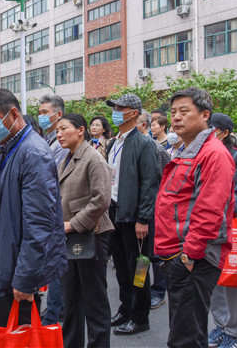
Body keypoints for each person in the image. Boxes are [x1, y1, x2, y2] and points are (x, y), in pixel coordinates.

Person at [0, 88, 67, 330]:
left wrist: (26, 278)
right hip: (0, 252)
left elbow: (39, 223)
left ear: (13, 114)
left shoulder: (33, 153)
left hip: (15, 261)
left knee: (19, 334)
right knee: (4, 330)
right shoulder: (9, 146)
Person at [154, 87, 236, 348]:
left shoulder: (213, 153)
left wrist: (189, 255)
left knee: (185, 336)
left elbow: (209, 210)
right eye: (173, 112)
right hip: (178, 253)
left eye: (184, 111)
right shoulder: (187, 149)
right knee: (184, 328)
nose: (176, 117)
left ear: (205, 115)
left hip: (192, 257)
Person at [56, 113, 114, 348]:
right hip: (70, 237)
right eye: (57, 130)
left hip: (91, 235)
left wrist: (72, 224)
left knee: (94, 301)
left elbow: (101, 201)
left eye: (64, 128)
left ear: (81, 130)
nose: (59, 134)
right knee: (71, 300)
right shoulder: (67, 158)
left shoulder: (93, 159)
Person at [106, 94, 160, 336]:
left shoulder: (145, 143)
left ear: (134, 113)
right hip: (115, 212)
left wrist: (143, 218)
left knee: (138, 269)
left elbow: (150, 183)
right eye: (115, 108)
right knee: (121, 266)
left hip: (135, 217)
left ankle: (140, 317)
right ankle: (125, 309)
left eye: (121, 108)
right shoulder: (113, 143)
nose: (116, 112)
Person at [207, 113, 237, 348]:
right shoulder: (204, 156)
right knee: (214, 283)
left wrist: (212, 201)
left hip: (230, 229)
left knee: (233, 284)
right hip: (208, 230)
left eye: (212, 129)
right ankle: (220, 326)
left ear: (224, 133)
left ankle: (234, 334)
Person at [37, 94, 68, 325]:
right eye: (39, 113)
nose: (41, 117)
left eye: (45, 112)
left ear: (58, 114)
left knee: (57, 264)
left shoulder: (61, 144)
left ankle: (54, 312)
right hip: (50, 209)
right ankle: (58, 307)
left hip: (58, 210)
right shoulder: (49, 139)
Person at [137, 109, 170, 310]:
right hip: (136, 211)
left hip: (155, 211)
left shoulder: (156, 149)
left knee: (155, 254)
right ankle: (141, 288)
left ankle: (159, 291)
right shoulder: (124, 147)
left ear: (145, 125)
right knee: (141, 255)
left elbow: (167, 181)